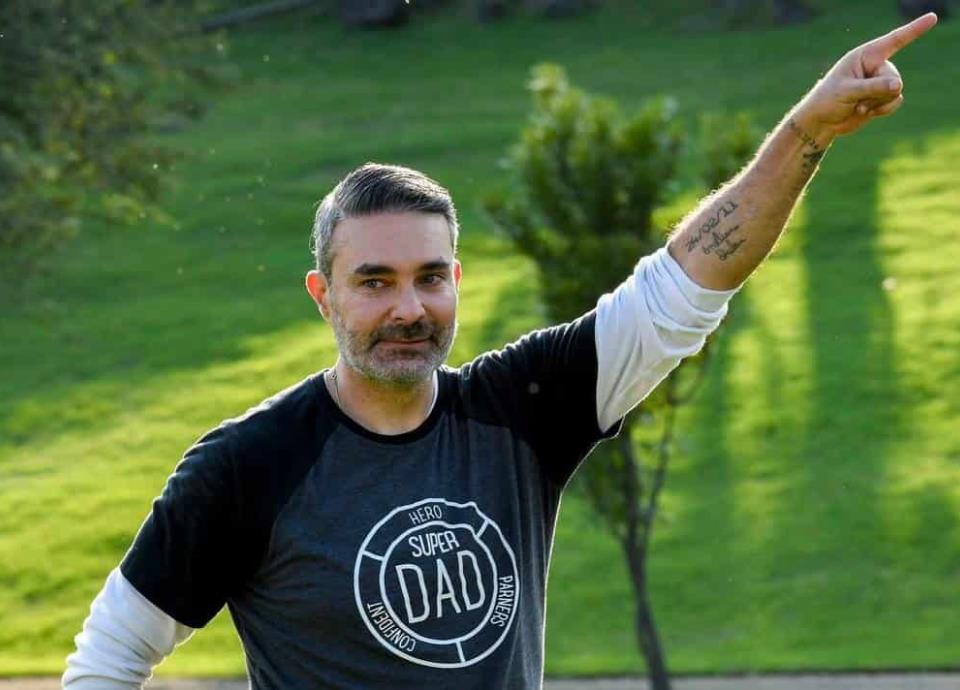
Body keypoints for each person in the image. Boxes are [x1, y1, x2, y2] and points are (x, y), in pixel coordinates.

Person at [62, 13, 937, 689]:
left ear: (456, 280)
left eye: (428, 277)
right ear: (323, 295)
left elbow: (682, 290)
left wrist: (807, 132)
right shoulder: (249, 466)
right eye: (374, 282)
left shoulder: (521, 410)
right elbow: (111, 655)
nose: (408, 308)